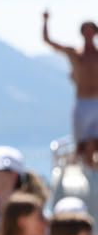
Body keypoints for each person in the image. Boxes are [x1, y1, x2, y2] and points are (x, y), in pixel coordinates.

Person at [43, 9, 98, 167]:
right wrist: (45, 21)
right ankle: (88, 172)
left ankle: (93, 172)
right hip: (82, 102)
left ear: (95, 32)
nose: (88, 33)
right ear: (82, 33)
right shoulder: (75, 53)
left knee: (95, 142)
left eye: (91, 30)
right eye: (85, 30)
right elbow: (48, 41)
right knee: (81, 144)